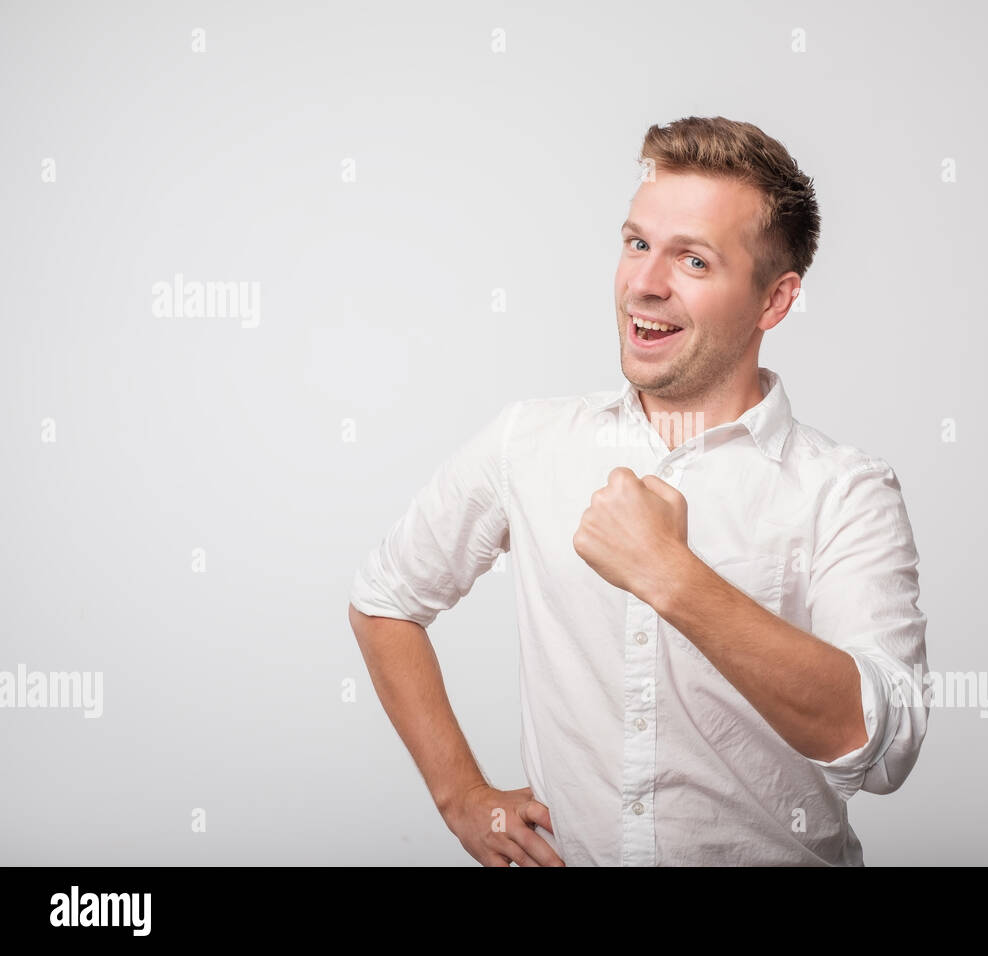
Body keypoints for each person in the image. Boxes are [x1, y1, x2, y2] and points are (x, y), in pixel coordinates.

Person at [348, 115, 930, 866]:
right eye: (637, 244)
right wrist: (461, 796)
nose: (644, 285)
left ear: (774, 302)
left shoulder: (846, 491)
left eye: (693, 261)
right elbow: (385, 599)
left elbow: (883, 750)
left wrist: (672, 577)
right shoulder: (527, 442)